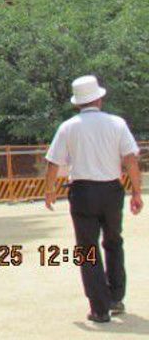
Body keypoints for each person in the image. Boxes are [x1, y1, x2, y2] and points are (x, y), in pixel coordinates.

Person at [45, 75, 143, 324]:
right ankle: (116, 297)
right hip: (112, 189)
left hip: (83, 191)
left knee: (87, 249)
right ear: (99, 98)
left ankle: (99, 308)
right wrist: (136, 192)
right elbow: (131, 159)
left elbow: (53, 162)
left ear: (78, 103)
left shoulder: (68, 127)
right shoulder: (117, 123)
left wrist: (49, 190)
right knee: (113, 241)